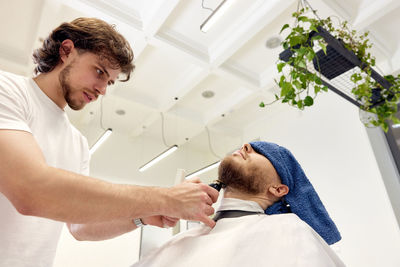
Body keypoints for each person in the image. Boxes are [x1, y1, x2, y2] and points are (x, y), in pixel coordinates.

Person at [0, 17, 218, 267]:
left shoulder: (77, 143)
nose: (102, 90)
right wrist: (166, 198)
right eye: (99, 71)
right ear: (67, 50)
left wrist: (143, 217)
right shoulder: (8, 91)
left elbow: (80, 225)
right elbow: (31, 190)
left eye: (109, 82)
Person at [132, 141, 345, 267]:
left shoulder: (289, 229)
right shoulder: (181, 240)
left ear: (278, 189)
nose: (246, 145)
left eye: (262, 152)